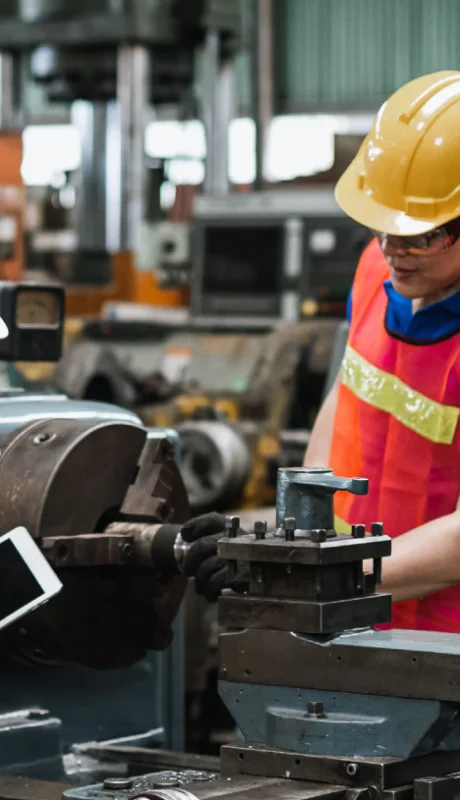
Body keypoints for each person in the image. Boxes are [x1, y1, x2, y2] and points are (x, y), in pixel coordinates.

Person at [182, 70, 460, 633]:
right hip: (351, 613)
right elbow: (347, 400)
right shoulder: (377, 271)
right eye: (382, 228)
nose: (394, 251)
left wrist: (317, 573)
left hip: (440, 642)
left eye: (421, 235)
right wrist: (285, 538)